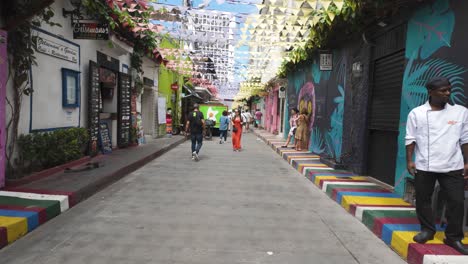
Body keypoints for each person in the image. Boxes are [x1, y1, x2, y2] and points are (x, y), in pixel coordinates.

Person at [406, 77, 468, 255]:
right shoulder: (417, 113)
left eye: (449, 89)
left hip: (452, 164)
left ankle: (454, 237)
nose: (447, 93)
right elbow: (410, 139)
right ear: (431, 92)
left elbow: (465, 139)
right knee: (423, 199)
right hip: (425, 164)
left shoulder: (461, 112)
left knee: (456, 201)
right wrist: (410, 160)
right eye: (443, 90)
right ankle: (428, 230)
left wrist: (466, 161)